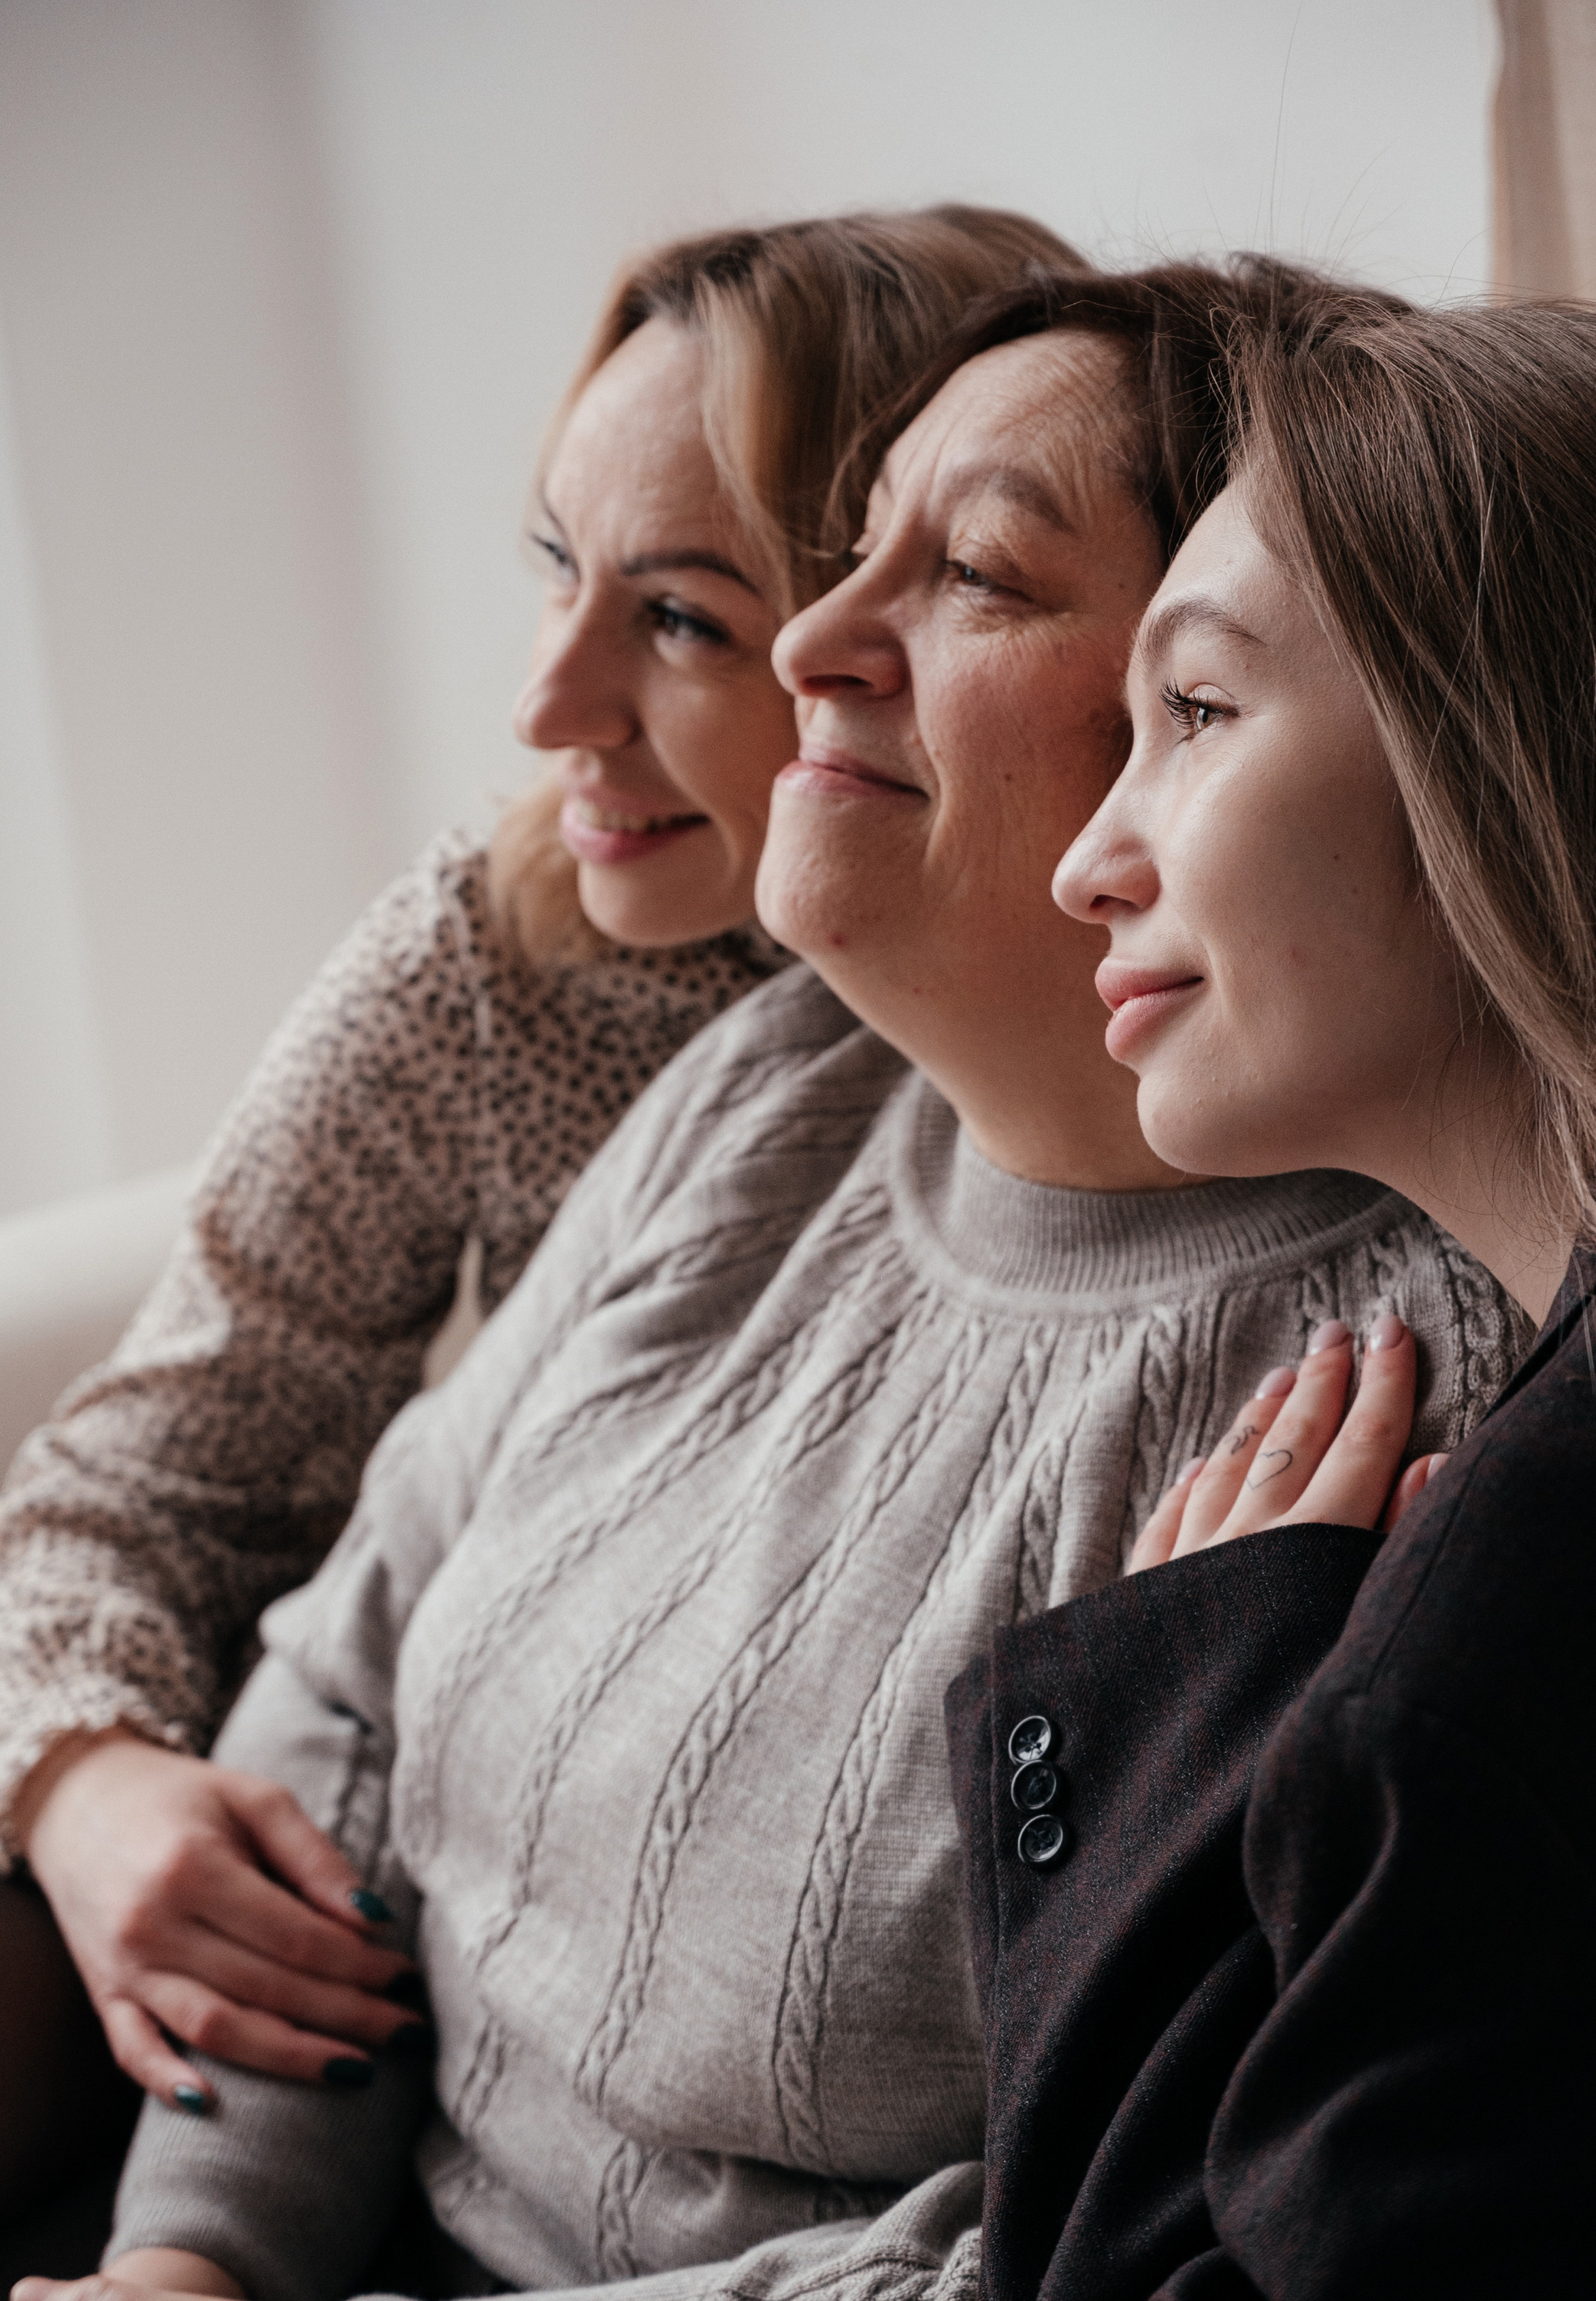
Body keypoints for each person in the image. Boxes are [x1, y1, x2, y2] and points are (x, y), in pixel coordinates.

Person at [0, 265, 1525, 2301]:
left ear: (1227, 712)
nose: (823, 639)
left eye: (981, 573)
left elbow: (1108, 2280)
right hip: (258, 2293)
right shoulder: (762, 1089)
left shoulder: (1383, 1406)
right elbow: (343, 1678)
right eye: (851, 546)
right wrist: (186, 2297)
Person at [0, 204, 1081, 2198]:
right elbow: (134, 1483)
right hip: (345, 1884)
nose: (545, 702)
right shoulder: (499, 967)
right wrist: (86, 1780)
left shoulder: (1098, 1086)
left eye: (678, 618)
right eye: (555, 572)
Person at [830, 294, 1596, 2301]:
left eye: (1198, 712)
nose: (1086, 863)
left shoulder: (1510, 1658)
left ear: (1515, 751)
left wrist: (1178, 1781)